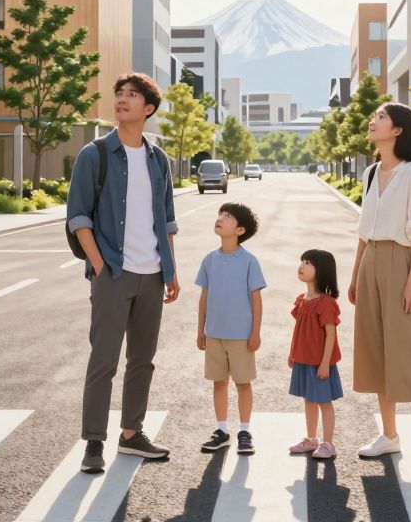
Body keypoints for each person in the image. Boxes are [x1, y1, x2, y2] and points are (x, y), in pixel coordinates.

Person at [67, 73, 180, 475]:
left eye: (132, 95)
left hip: (152, 273)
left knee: (142, 360)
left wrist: (171, 269)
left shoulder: (158, 159)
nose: (122, 99)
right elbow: (78, 216)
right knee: (104, 360)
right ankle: (94, 442)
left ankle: (132, 434)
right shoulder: (94, 154)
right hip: (113, 272)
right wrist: (100, 267)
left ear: (148, 108)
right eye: (119, 94)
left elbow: (166, 219)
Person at [348, 101, 411, 471]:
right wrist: (355, 275)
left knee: (408, 352)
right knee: (377, 351)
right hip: (370, 263)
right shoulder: (371, 173)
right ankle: (389, 435)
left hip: (401, 263)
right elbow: (364, 230)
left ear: (398, 130)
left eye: (381, 118)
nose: (374, 121)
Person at [196, 203, 265, 455]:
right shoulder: (209, 260)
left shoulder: (249, 261)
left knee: (243, 382)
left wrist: (255, 332)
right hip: (214, 333)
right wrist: (200, 329)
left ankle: (245, 430)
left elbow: (256, 299)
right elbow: (204, 297)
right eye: (220, 215)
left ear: (240, 230)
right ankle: (222, 430)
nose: (220, 219)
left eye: (227, 217)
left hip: (241, 335)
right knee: (219, 382)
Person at [287, 249, 343, 460]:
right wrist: (293, 352)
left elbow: (331, 335)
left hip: (320, 362)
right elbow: (299, 330)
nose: (301, 265)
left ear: (321, 270)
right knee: (308, 400)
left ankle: (328, 443)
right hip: (303, 359)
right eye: (302, 261)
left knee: (324, 401)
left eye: (308, 262)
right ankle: (312, 439)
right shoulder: (303, 299)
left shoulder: (326, 303)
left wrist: (325, 363)